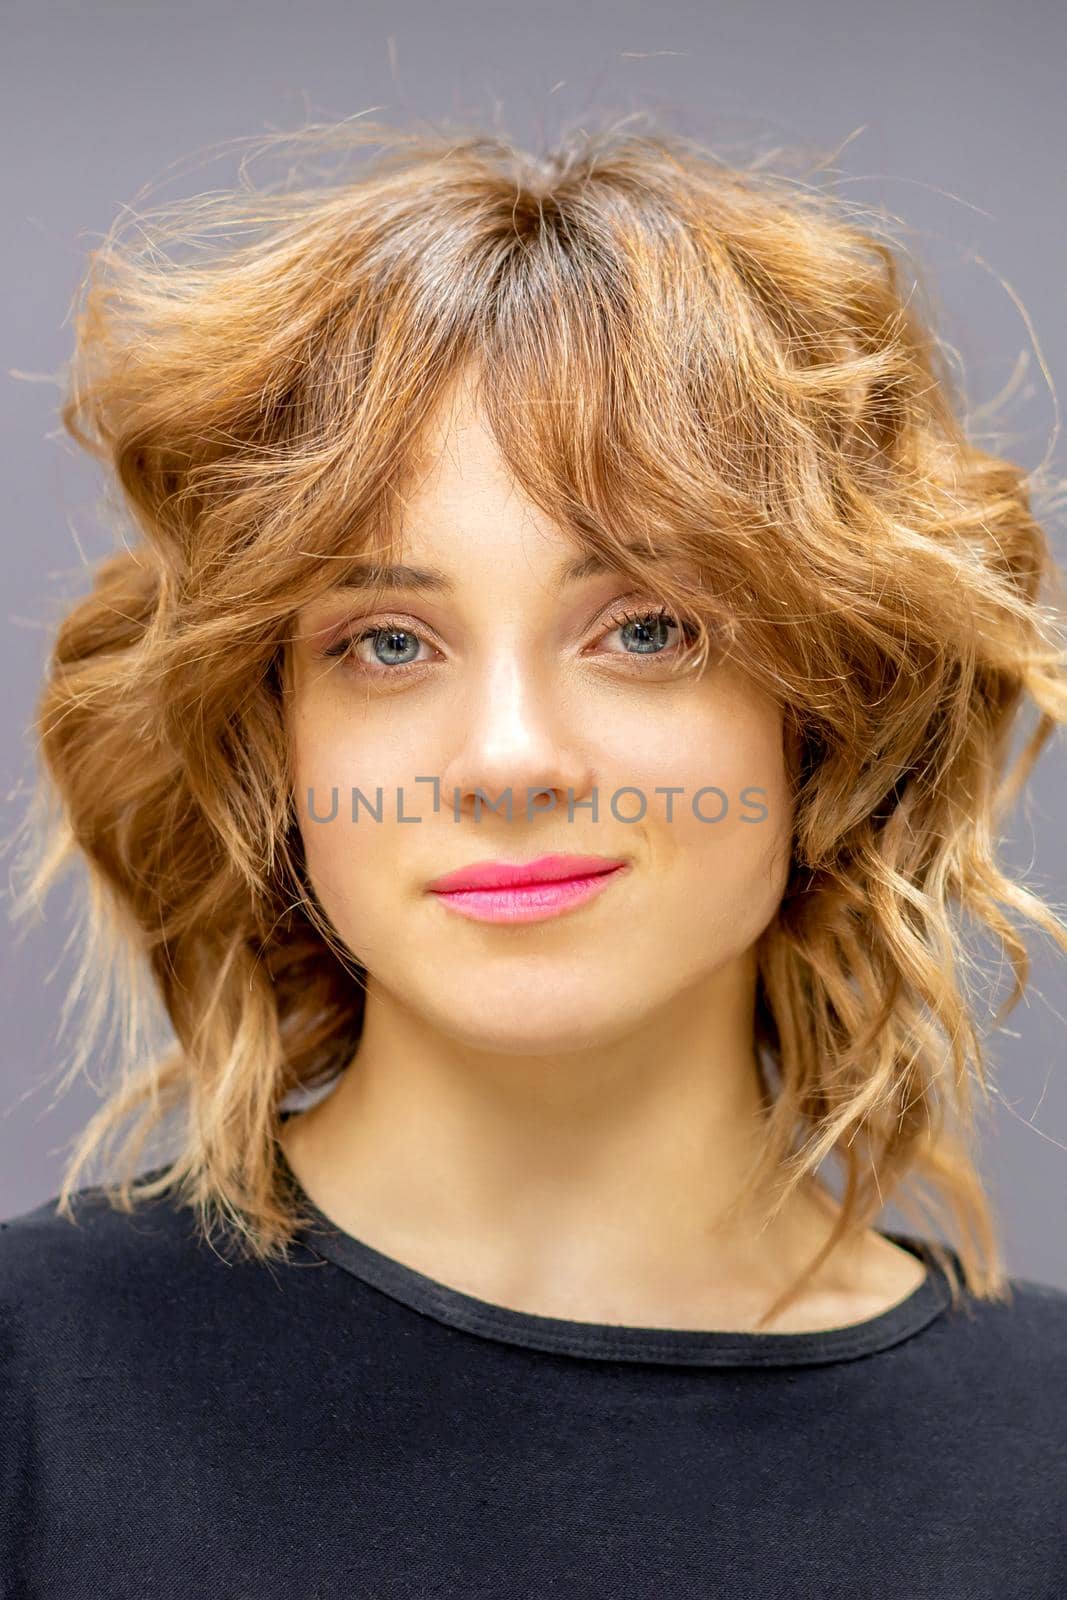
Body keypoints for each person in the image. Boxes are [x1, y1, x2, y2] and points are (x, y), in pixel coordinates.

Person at [2, 115, 1065, 1597]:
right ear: (275, 741)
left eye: (647, 629)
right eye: (386, 642)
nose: (509, 759)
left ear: (822, 715)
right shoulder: (33, 1389)